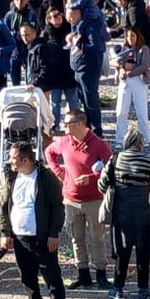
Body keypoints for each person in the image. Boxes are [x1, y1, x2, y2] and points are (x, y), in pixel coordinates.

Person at [0, 141, 72, 299]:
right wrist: (5, 232)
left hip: (42, 238)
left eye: (14, 158)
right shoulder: (11, 177)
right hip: (20, 238)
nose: (10, 161)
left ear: (25, 159)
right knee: (28, 277)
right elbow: (5, 206)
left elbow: (58, 207)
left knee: (53, 278)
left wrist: (54, 233)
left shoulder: (46, 178)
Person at [45, 108, 111, 287]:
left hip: (94, 200)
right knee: (76, 238)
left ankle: (101, 274)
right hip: (71, 200)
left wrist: (91, 178)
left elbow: (110, 169)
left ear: (80, 124)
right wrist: (58, 172)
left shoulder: (99, 144)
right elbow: (49, 152)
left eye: (67, 123)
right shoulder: (64, 141)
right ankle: (83, 274)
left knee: (97, 238)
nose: (64, 126)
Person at [100, 125, 150, 299]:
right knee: (143, 252)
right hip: (144, 212)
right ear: (140, 144)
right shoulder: (148, 161)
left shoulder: (115, 160)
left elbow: (102, 185)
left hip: (122, 213)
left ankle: (117, 289)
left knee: (122, 252)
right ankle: (143, 290)